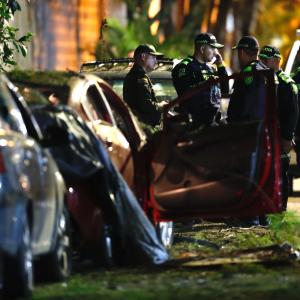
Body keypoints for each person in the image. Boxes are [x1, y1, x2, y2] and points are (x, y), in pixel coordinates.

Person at [259, 46, 298, 212]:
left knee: (280, 173)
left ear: (276, 61)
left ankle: (280, 209)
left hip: (280, 136)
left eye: (264, 60)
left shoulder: (286, 84)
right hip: (265, 135)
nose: (260, 63)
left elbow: (293, 113)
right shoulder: (262, 78)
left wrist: (288, 137)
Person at [171, 32, 229, 126]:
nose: (216, 52)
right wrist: (206, 84)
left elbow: (225, 90)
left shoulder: (211, 68)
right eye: (212, 48)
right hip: (193, 123)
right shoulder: (185, 67)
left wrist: (221, 66)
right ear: (202, 49)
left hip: (212, 122)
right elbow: (184, 92)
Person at [123, 44, 165, 130]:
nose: (156, 61)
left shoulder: (136, 75)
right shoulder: (139, 77)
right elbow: (146, 105)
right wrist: (162, 106)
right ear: (143, 56)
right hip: (144, 129)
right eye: (153, 57)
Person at [227, 36, 267, 122]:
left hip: (246, 127)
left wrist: (229, 121)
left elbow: (237, 103)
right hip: (264, 125)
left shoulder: (247, 72)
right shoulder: (265, 69)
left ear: (241, 53)